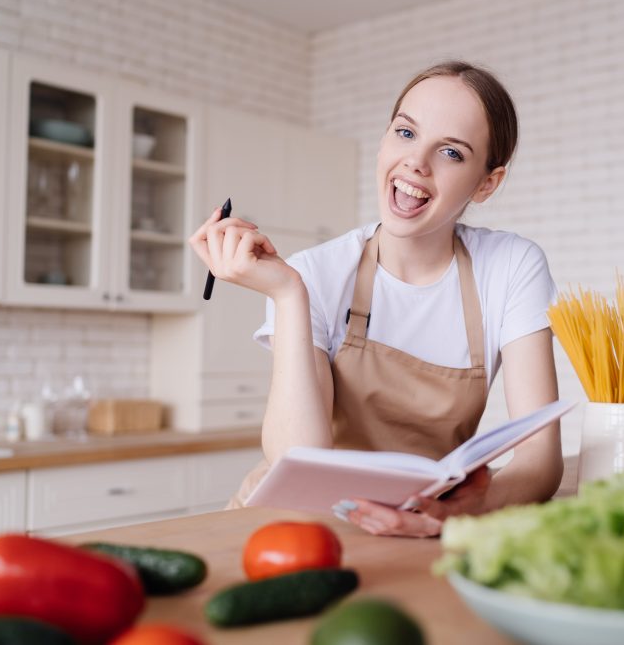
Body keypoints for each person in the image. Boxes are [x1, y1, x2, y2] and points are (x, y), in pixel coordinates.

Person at [189, 61, 562, 537]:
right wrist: (288, 295)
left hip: (415, 527)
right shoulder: (314, 272)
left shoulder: (510, 268)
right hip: (294, 529)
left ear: (486, 183)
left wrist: (456, 514)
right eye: (405, 133)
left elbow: (540, 460)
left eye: (451, 152)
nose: (415, 163)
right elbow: (297, 462)